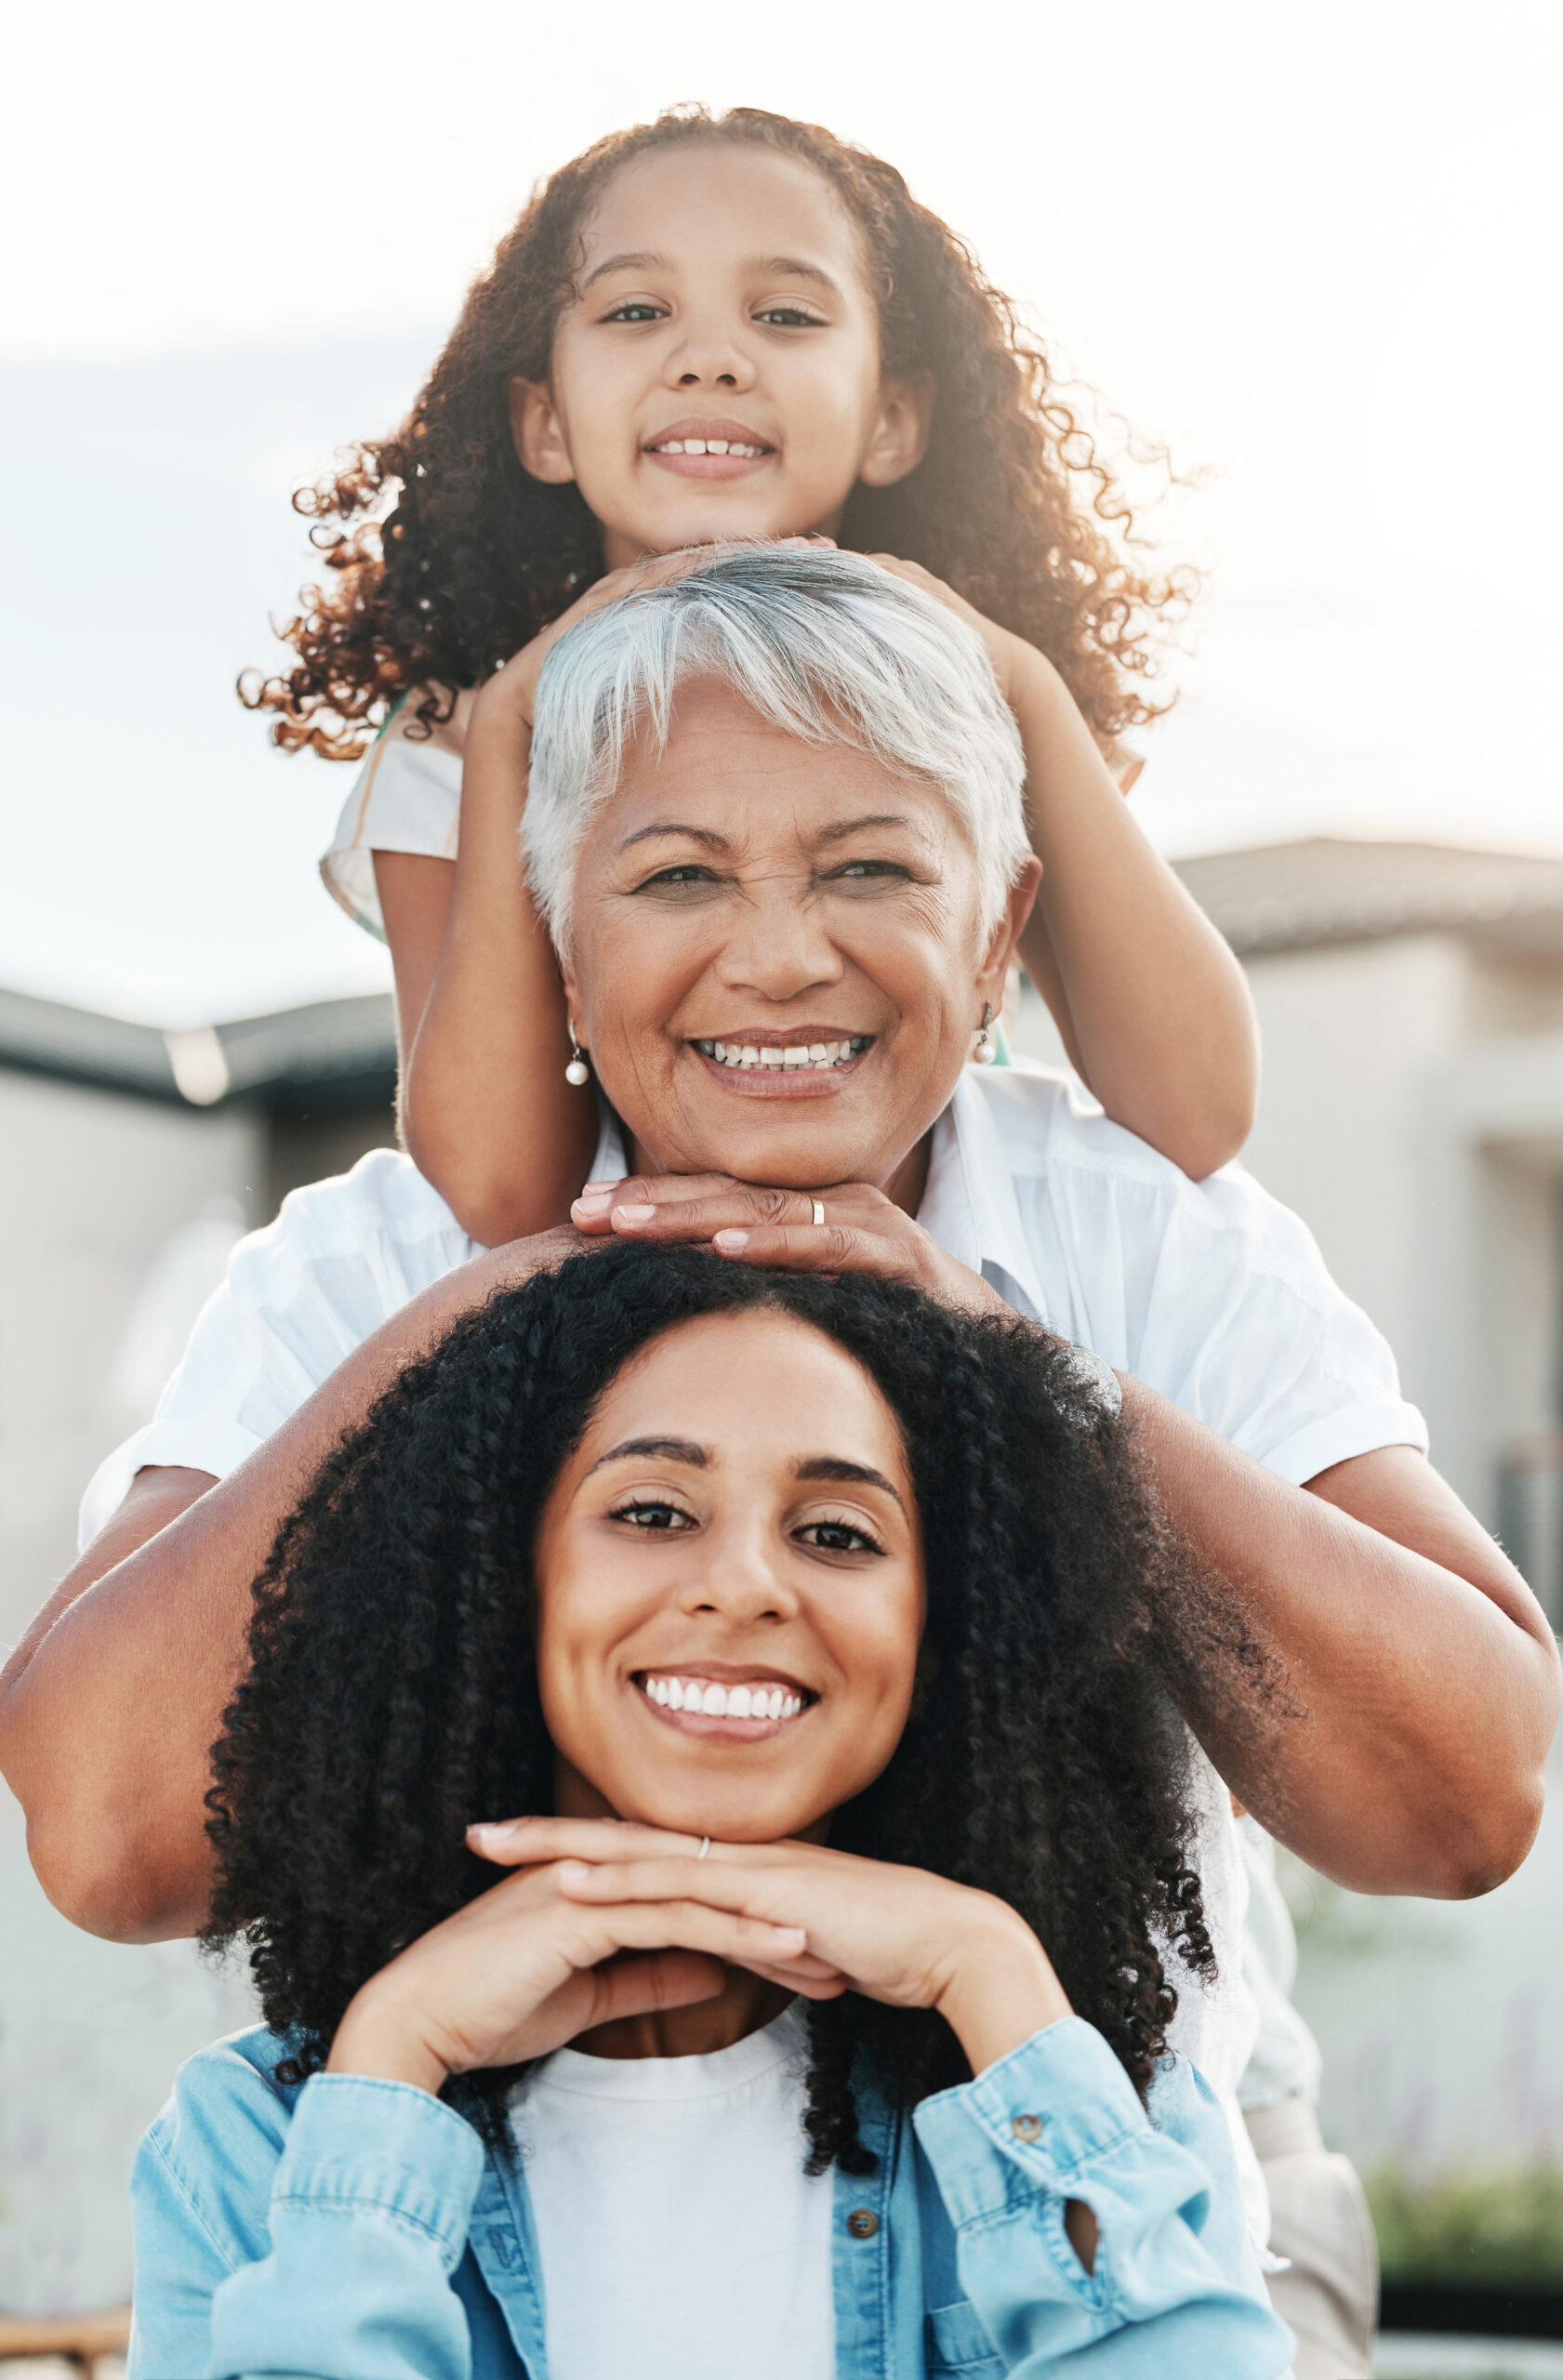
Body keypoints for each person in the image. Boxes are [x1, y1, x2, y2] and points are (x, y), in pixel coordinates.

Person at [4, 549, 1555, 2250]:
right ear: (557, 945)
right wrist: (499, 1305)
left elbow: (1460, 1802)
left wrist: (1015, 1370)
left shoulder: (1145, 1235)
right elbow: (109, 1843)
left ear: (996, 934)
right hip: (479, 2287)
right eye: (676, 877)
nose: (778, 957)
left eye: (870, 867)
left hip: (1070, 2267)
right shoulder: (366, 1268)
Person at [128, 1246, 1293, 2378]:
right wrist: (392, 2057)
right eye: (651, 1511)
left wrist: (984, 1965)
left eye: (837, 1534)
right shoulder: (258, 2141)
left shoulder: (1079, 2090)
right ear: (504, 1584)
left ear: (938, 1637)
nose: (743, 1583)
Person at [244, 102, 1260, 1248]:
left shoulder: (985, 712)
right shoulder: (455, 737)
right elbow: (498, 1195)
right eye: (636, 310)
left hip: (953, 1281)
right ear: (542, 425)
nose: (712, 358)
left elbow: (1195, 1117)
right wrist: (508, 730)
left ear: (890, 418)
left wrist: (1020, 683)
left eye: (784, 314)